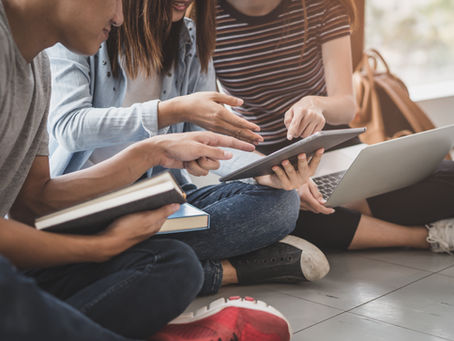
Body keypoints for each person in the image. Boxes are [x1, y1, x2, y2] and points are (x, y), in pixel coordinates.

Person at [0, 0, 291, 340]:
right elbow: (70, 128)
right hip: (63, 227)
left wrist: (261, 170)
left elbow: (33, 201)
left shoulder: (38, 68)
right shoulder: (57, 47)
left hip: (129, 205)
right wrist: (102, 247)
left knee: (177, 265)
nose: (120, 17)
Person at [46, 0, 331, 295]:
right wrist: (171, 110)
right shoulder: (80, 32)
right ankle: (216, 272)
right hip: (88, 205)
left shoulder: (189, 37)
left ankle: (117, 264)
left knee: (282, 204)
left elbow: (206, 133)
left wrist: (266, 170)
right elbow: (69, 127)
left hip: (159, 198)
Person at [213, 0, 454, 253]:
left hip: (336, 149)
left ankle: (350, 207)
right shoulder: (204, 19)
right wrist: (271, 178)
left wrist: (316, 103)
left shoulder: (322, 6)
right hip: (268, 164)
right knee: (279, 211)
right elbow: (208, 122)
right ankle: (425, 236)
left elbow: (347, 106)